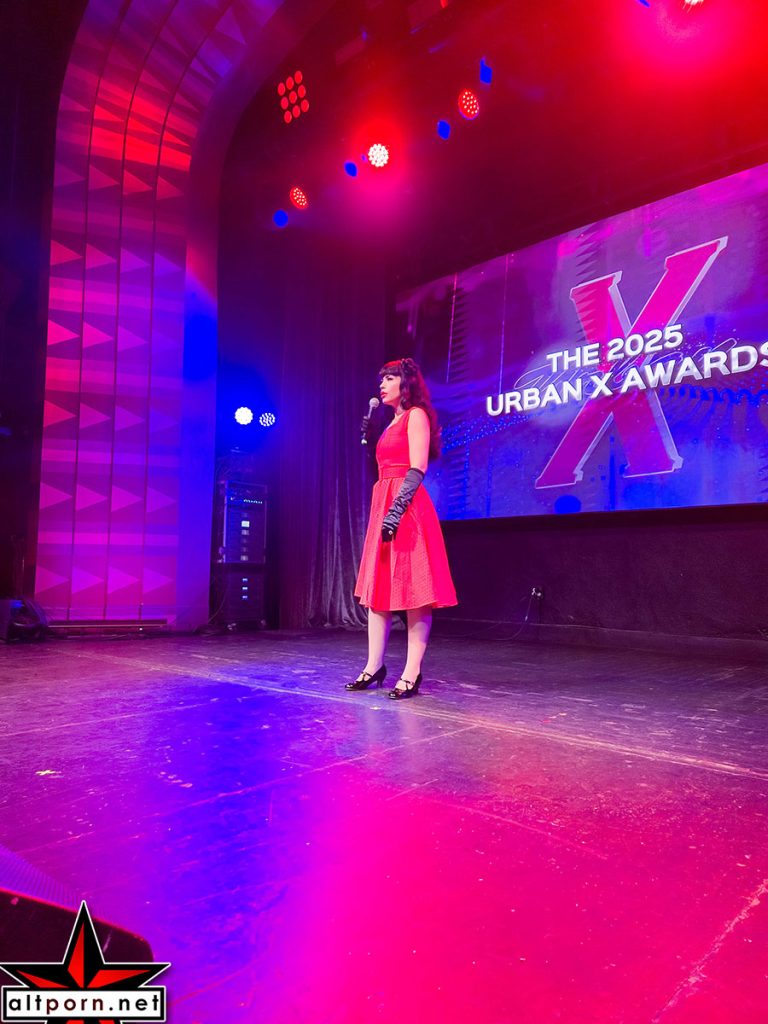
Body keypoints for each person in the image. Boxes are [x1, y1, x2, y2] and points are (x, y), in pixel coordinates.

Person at [348, 357, 457, 699]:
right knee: (379, 590)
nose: (382, 385)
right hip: (384, 502)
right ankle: (373, 666)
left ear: (406, 383)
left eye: (390, 378)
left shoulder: (416, 415)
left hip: (405, 507)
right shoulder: (389, 421)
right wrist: (370, 439)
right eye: (381, 379)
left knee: (414, 591)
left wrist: (396, 511)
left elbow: (417, 467)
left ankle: (412, 672)